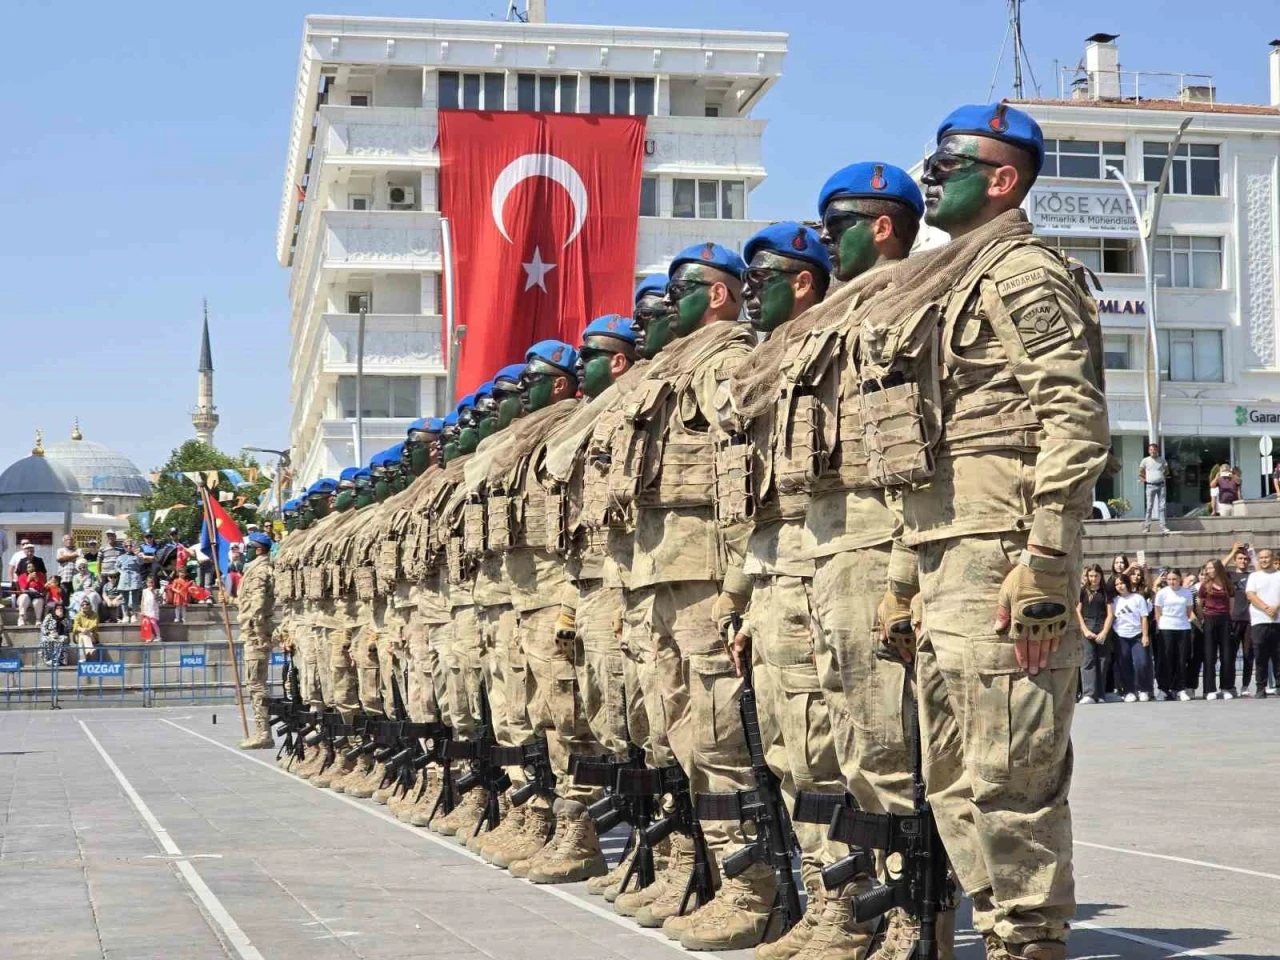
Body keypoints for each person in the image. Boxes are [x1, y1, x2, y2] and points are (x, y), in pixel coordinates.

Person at [875, 102, 1108, 959]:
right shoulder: (948, 281)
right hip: (943, 553)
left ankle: (1032, 940)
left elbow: (1074, 418)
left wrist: (1045, 557)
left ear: (1003, 179)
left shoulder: (1022, 273)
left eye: (950, 164)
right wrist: (904, 577)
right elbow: (922, 452)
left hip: (1004, 552)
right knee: (950, 774)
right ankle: (1001, 927)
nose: (932, 178)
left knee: (1013, 771)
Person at [237, 531, 278, 749]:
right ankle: (261, 731)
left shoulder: (260, 571)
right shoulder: (254, 569)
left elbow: (258, 604)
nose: (246, 552)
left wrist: (258, 632)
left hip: (256, 635)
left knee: (256, 684)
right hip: (253, 632)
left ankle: (263, 733)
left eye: (249, 548)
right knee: (254, 683)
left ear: (259, 549)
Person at [1153, 568, 1196, 701]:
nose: (1172, 582)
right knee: (1165, 659)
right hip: (1166, 628)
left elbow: (1189, 611)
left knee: (1182, 659)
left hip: (1183, 628)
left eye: (1174, 579)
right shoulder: (1162, 593)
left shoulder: (1186, 593)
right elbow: (1158, 612)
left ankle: (1180, 689)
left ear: (1180, 579)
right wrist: (1161, 626)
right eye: (1169, 579)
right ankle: (1164, 689)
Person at [1245, 548, 1280, 699]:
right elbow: (1250, 595)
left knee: (1278, 654)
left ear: (1273, 559)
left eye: (1267, 557)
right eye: (1261, 558)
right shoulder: (1254, 576)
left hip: (1277, 620)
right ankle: (1261, 687)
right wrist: (1266, 608)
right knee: (1260, 655)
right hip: (1259, 620)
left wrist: (1275, 608)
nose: (1264, 560)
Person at [1197, 559, 1235, 699]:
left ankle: (1226, 687)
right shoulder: (1205, 585)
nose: (1208, 571)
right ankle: (1210, 689)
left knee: (1226, 655)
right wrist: (1204, 618)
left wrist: (1227, 618)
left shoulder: (1227, 584)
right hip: (1209, 619)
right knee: (1209, 656)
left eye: (1211, 568)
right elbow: (1199, 604)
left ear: (1218, 568)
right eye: (1207, 568)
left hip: (1224, 619)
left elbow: (1231, 604)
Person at [1077, 564, 1113, 704]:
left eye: (1096, 576)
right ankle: (1088, 694)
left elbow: (1110, 614)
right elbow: (1078, 612)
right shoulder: (1083, 591)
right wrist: (1085, 630)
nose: (1093, 579)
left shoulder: (1106, 591)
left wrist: (1104, 632)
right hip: (1087, 624)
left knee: (1103, 661)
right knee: (1088, 660)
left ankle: (1100, 694)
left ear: (1101, 576)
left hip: (1102, 624)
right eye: (1091, 576)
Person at [1112, 576, 1152, 701]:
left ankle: (1143, 689)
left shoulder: (1138, 598)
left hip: (1137, 635)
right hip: (1120, 635)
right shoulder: (1114, 601)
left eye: (1122, 583)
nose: (1119, 586)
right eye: (1117, 584)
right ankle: (1129, 691)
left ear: (1127, 584)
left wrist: (1145, 635)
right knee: (1125, 664)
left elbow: (1144, 617)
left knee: (1141, 663)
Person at [1139, 442, 1172, 534]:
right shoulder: (1145, 460)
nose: (1153, 451)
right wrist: (1144, 478)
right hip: (1150, 486)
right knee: (1149, 506)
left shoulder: (1162, 460)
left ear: (1157, 450)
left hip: (1161, 485)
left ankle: (1163, 526)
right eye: (1151, 450)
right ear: (1148, 451)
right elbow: (1141, 471)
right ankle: (1147, 527)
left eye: (1154, 449)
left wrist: (1161, 476)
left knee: (1162, 506)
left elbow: (1167, 471)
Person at [116, 541, 143, 624]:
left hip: (134, 577)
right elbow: (116, 566)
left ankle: (134, 615)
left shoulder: (137, 555)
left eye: (130, 546)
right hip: (124, 577)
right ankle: (125, 615)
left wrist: (137, 555)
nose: (128, 547)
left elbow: (141, 563)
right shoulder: (121, 557)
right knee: (124, 598)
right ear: (124, 547)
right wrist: (121, 572)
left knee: (135, 597)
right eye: (126, 546)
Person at [16, 560, 47, 625]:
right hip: (25, 596)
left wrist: (37, 580)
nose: (31, 568)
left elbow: (42, 589)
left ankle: (38, 620)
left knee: (38, 601)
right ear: (26, 569)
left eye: (32, 566)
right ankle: (21, 618)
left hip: (36, 596)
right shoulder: (22, 576)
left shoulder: (40, 575)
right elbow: (23, 589)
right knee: (24, 597)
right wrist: (28, 580)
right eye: (29, 567)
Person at [40, 602, 70, 666]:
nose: (59, 610)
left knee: (60, 640)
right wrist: (49, 633)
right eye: (57, 608)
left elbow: (69, 627)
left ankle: (55, 660)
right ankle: (48, 660)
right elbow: (43, 626)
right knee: (44, 640)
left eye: (61, 608)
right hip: (50, 634)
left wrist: (62, 618)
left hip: (61, 635)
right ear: (55, 609)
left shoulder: (65, 617)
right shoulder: (49, 616)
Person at [73, 598, 100, 662]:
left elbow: (95, 625)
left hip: (92, 635)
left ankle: (83, 659)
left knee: (83, 636)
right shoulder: (78, 615)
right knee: (82, 635)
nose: (85, 606)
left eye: (87, 604)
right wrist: (82, 629)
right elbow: (75, 627)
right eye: (82, 605)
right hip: (79, 635)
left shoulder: (95, 614)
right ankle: (90, 649)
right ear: (80, 606)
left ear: (90, 605)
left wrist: (87, 630)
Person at [140, 576, 162, 642]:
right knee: (147, 624)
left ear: (154, 583)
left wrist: (153, 592)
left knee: (153, 623)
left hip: (153, 610)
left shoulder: (156, 591)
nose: (150, 584)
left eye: (152, 582)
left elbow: (158, 599)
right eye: (149, 583)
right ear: (146, 583)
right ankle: (149, 637)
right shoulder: (144, 591)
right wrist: (142, 610)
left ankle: (158, 636)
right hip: (146, 609)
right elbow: (142, 601)